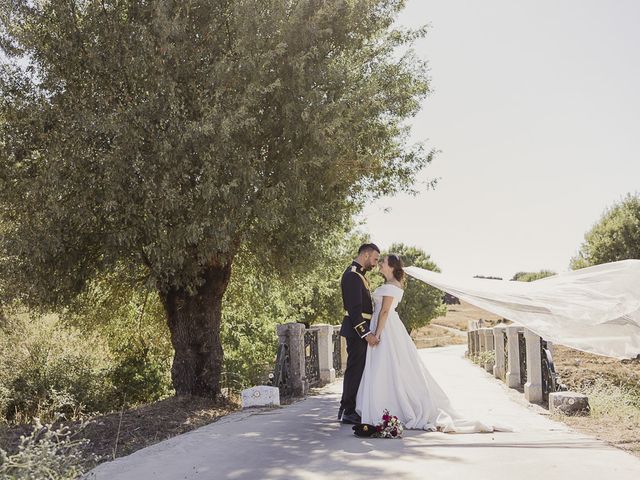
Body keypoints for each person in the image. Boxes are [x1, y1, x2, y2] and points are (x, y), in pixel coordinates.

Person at [355, 254, 509, 432]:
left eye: (383, 262)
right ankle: (386, 402)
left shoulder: (391, 287)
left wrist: (376, 334)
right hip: (388, 326)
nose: (380, 264)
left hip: (386, 328)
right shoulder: (392, 285)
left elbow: (384, 312)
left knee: (386, 365)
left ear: (391, 266)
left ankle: (389, 404)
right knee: (390, 366)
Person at [339, 243, 381, 425]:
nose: (376, 263)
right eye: (375, 259)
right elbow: (355, 311)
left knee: (358, 369)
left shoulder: (359, 276)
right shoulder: (352, 276)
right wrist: (366, 334)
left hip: (361, 329)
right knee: (354, 369)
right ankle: (348, 410)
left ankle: (348, 407)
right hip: (357, 331)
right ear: (365, 254)